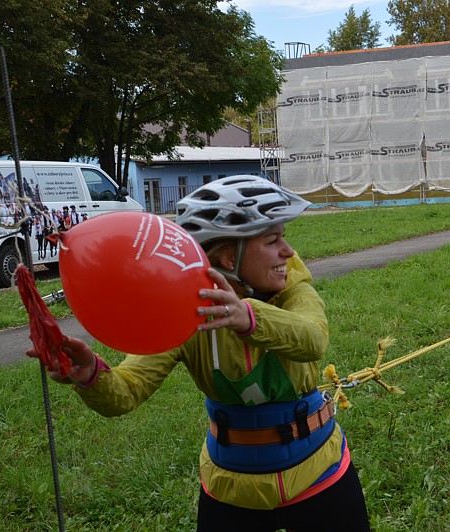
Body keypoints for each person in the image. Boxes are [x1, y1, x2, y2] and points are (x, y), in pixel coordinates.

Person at [27, 176, 370, 532]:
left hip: (319, 472)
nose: (288, 251)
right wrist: (91, 375)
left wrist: (247, 316)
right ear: (227, 256)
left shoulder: (295, 292)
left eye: (283, 237)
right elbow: (127, 392)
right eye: (273, 240)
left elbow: (312, 339)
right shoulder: (185, 313)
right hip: (230, 486)